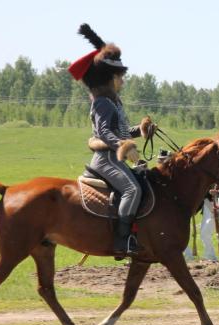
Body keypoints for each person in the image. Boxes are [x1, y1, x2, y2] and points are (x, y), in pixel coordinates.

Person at [68, 23, 156, 257]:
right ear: (109, 78)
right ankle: (122, 241)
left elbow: (122, 131)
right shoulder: (102, 103)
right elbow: (105, 133)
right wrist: (124, 146)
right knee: (132, 190)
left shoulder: (113, 102)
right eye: (120, 77)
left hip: (114, 158)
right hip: (105, 160)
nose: (123, 81)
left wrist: (141, 130)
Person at [199, 191, 218, 261]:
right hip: (207, 205)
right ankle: (209, 255)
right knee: (203, 234)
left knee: (205, 233)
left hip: (214, 204)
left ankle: (211, 255)